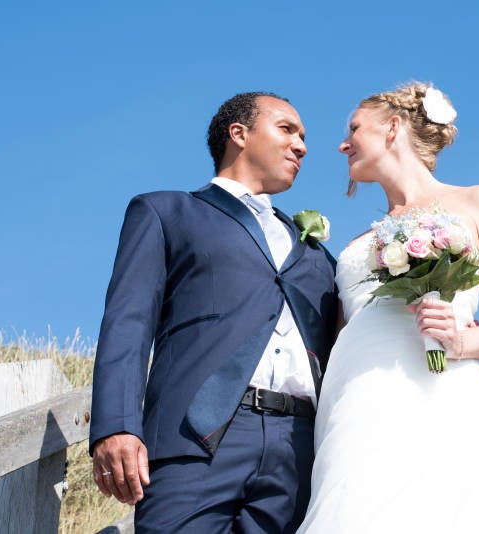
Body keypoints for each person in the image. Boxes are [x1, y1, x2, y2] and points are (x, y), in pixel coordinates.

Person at [89, 92, 339, 532]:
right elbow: (128, 323)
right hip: (194, 437)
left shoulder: (319, 255)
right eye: (287, 130)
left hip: (300, 452)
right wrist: (117, 425)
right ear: (238, 133)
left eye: (303, 137)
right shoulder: (165, 212)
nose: (301, 146)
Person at [297, 82, 479, 533]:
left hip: (439, 391)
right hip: (354, 404)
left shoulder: (477, 201)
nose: (343, 144)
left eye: (354, 129)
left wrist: (460, 340)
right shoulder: (355, 244)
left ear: (392, 127)